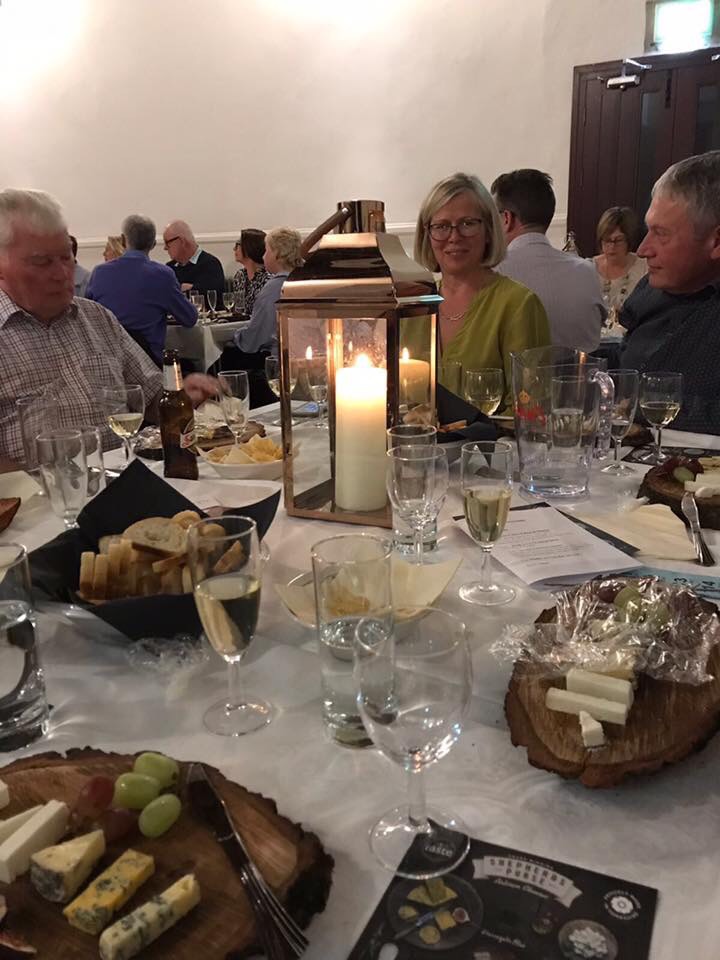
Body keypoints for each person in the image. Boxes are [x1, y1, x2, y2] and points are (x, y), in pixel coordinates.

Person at [0, 189, 217, 461]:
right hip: (39, 497)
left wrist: (183, 394)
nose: (61, 273)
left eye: (67, 257)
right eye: (41, 262)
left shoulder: (98, 319)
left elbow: (151, 398)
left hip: (129, 480)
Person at [414, 172, 550, 411]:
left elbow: (531, 410)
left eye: (468, 224)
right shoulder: (413, 307)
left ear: (489, 231)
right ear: (427, 236)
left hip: (491, 448)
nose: (454, 237)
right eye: (441, 226)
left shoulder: (519, 304)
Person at [619, 151, 720, 434]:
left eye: (661, 233)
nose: (642, 250)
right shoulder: (649, 289)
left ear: (716, 241)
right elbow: (624, 363)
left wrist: (634, 405)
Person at [491, 169, 604, 352]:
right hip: (584, 378)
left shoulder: (491, 273)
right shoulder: (587, 270)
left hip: (519, 380)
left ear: (506, 219)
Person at [86, 214, 197, 365]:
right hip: (149, 365)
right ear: (153, 244)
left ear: (124, 240)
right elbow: (189, 318)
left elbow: (87, 318)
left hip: (109, 364)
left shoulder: (99, 273)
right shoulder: (162, 275)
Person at [221, 227, 303, 406]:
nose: (263, 256)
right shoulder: (305, 282)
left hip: (279, 366)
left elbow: (252, 340)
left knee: (227, 357)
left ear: (277, 254)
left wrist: (231, 336)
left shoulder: (273, 288)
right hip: (307, 363)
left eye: (266, 251)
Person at [593, 206, 648, 312]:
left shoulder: (644, 269)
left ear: (629, 239)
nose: (611, 247)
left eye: (618, 240)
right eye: (607, 240)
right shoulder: (589, 268)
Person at [163, 219, 225, 309]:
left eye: (167, 243)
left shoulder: (210, 264)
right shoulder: (170, 268)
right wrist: (189, 288)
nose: (165, 248)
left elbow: (210, 297)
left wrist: (188, 289)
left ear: (182, 241)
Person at [231, 229, 269, 316]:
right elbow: (238, 309)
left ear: (249, 247)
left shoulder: (267, 278)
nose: (234, 249)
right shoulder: (239, 276)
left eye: (237, 245)